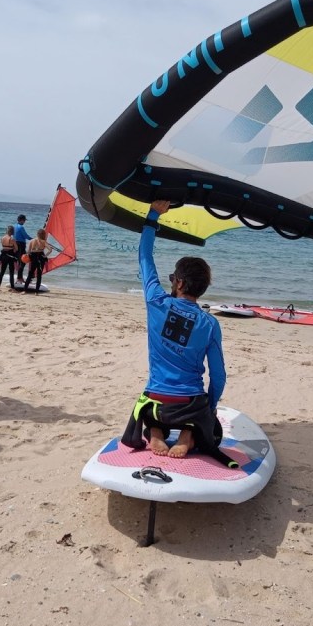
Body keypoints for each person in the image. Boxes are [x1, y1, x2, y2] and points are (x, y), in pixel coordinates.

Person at [120, 199, 236, 466]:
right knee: (204, 418)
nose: (171, 280)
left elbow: (145, 257)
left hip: (156, 400)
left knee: (147, 408)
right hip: (190, 404)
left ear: (180, 282)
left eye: (173, 277)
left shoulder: (156, 302)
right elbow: (218, 376)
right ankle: (188, 434)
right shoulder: (210, 324)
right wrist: (210, 406)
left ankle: (156, 432)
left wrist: (153, 216)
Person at [22, 228, 56, 293]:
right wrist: (45, 256)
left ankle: (25, 290)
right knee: (39, 275)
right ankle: (36, 292)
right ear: (43, 235)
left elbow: (28, 252)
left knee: (30, 273)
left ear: (37, 234)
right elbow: (50, 250)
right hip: (41, 257)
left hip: (33, 257)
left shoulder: (32, 241)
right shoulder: (44, 242)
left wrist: (27, 258)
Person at [12, 214, 32, 286]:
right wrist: (32, 239)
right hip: (21, 245)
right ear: (22, 220)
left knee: (19, 261)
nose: (24, 222)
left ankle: (20, 278)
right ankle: (19, 278)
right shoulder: (21, 227)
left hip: (15, 245)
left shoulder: (14, 226)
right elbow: (25, 236)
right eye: (24, 220)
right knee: (23, 261)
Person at [0, 225, 17, 290]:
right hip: (10, 256)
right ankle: (12, 288)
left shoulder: (2, 238)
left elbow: (3, 246)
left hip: (3, 255)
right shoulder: (12, 239)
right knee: (11, 272)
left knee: (2, 272)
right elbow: (16, 248)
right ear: (12, 231)